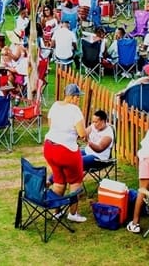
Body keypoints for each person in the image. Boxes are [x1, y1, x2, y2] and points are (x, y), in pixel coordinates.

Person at [43, 83, 88, 224]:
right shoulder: (75, 110)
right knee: (75, 181)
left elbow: (51, 125)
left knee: (59, 180)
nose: (78, 99)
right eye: (78, 97)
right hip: (66, 151)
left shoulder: (55, 106)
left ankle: (57, 212)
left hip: (49, 147)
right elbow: (82, 133)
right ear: (73, 97)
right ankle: (73, 213)